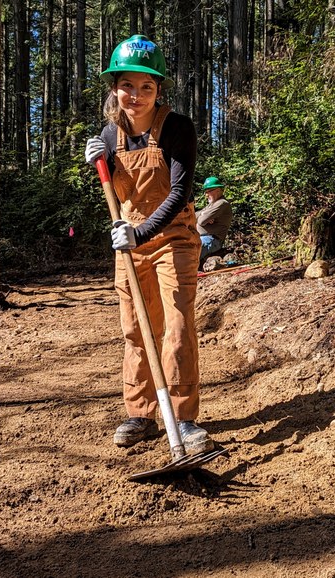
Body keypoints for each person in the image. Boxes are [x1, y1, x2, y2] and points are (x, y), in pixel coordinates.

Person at [84, 35, 214, 455]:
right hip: (129, 244)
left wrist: (142, 232)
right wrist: (98, 163)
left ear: (158, 90)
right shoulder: (108, 136)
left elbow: (178, 193)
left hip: (172, 238)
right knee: (136, 330)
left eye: (146, 87)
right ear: (114, 87)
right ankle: (140, 414)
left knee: (176, 327)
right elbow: (119, 193)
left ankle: (183, 418)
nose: (135, 96)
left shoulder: (177, 128)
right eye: (127, 86)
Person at [196, 176, 233, 263]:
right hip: (202, 238)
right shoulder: (212, 205)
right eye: (206, 191)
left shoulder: (222, 203)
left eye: (209, 191)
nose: (206, 194)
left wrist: (203, 216)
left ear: (218, 190)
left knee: (190, 252)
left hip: (211, 239)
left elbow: (201, 221)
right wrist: (203, 214)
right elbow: (193, 216)